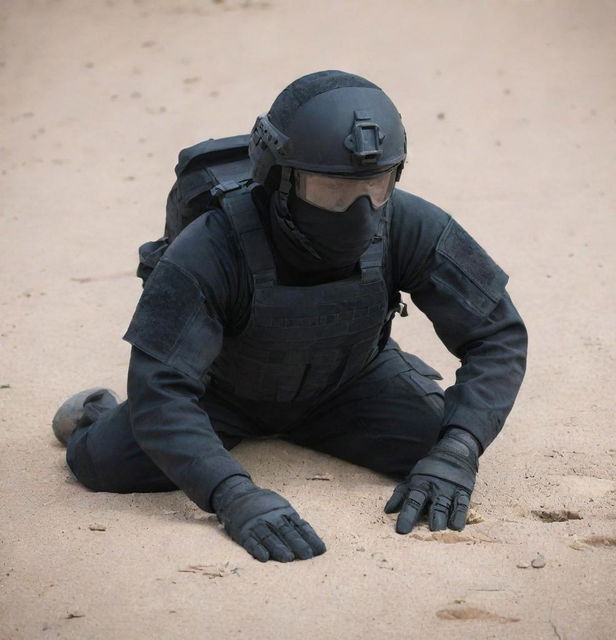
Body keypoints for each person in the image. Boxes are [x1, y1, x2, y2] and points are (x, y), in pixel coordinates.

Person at [53, 70, 527, 563]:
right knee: (102, 465)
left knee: (440, 441)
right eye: (332, 190)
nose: (360, 210)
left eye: (375, 185)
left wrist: (457, 452)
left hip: (350, 381)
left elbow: (497, 335)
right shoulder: (209, 247)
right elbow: (160, 390)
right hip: (222, 394)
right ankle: (97, 410)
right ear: (280, 178)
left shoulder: (410, 222)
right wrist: (233, 494)